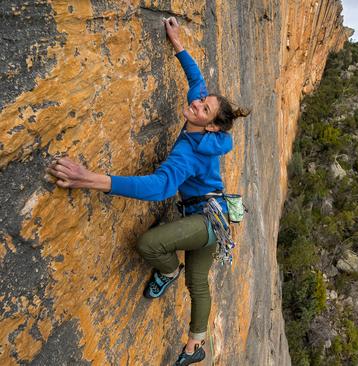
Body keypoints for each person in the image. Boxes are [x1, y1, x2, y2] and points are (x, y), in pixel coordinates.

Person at [47, 17, 249, 366]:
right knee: (198, 281)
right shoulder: (200, 116)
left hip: (206, 220)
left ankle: (171, 279)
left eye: (204, 107)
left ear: (211, 125)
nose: (198, 102)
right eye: (201, 100)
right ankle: (194, 344)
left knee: (150, 245)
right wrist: (178, 42)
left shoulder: (190, 151)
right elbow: (197, 79)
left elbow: (160, 187)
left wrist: (89, 178)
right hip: (213, 218)